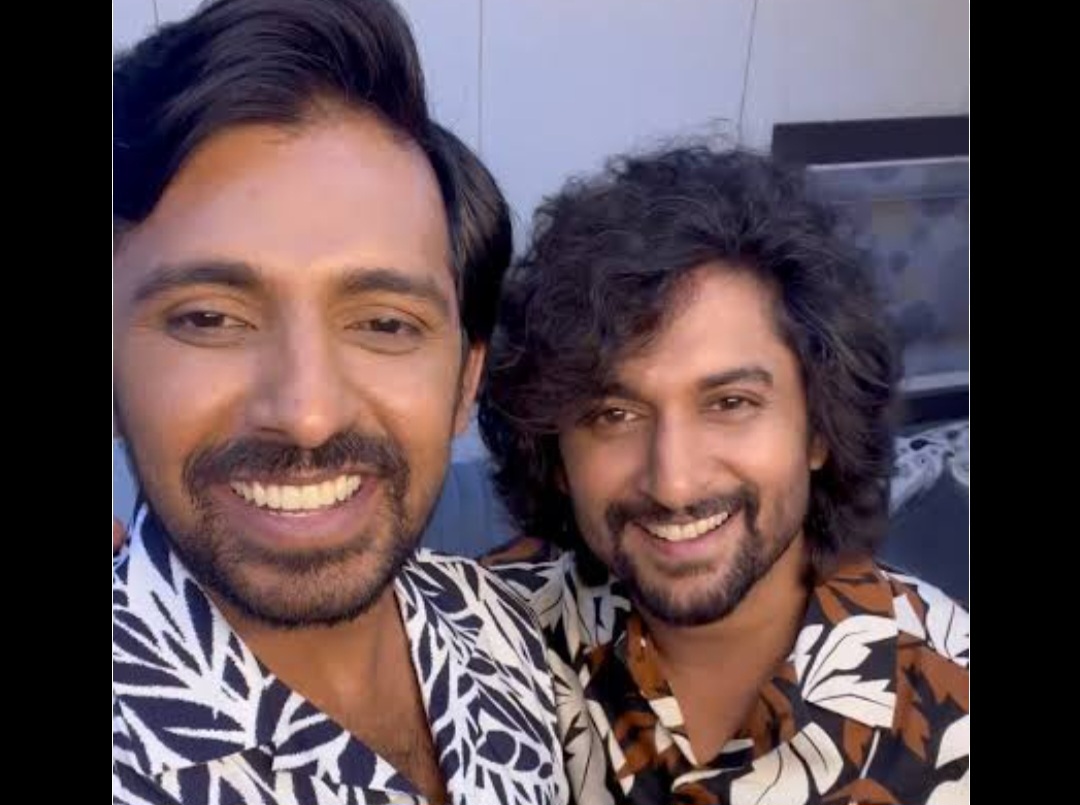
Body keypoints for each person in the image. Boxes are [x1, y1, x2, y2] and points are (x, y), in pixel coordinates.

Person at [111, 1, 567, 803]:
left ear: (466, 382)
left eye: (385, 324)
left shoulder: (504, 628)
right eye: (210, 318)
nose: (307, 413)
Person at [478, 145, 970, 804]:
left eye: (730, 403)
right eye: (615, 414)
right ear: (556, 452)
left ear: (819, 430)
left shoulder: (951, 695)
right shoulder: (479, 640)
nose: (674, 483)